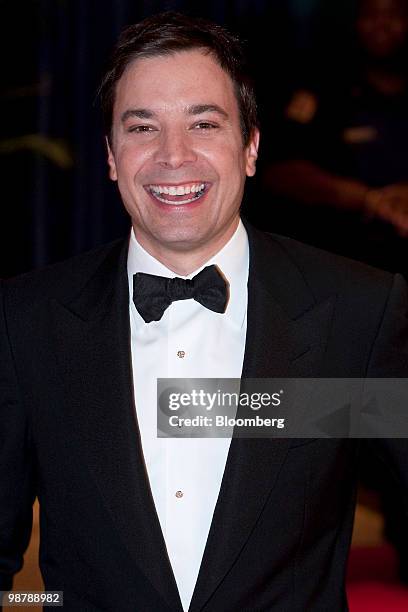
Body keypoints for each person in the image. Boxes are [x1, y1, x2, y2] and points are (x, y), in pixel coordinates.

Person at [1, 11, 408, 612]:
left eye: (204, 123)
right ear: (111, 155)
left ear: (250, 146)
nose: (174, 155)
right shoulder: (25, 321)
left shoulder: (357, 312)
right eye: (142, 128)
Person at [261, 0, 408, 273]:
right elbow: (278, 171)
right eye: (370, 14)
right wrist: (369, 199)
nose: (381, 26)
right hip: (342, 257)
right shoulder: (323, 90)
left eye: (394, 15)